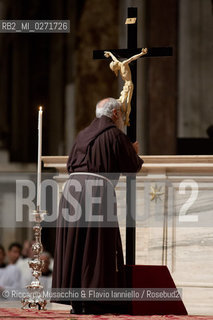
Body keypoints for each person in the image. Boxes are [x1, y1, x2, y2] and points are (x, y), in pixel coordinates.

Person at [52, 97, 143, 314]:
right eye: (121, 115)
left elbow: (69, 165)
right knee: (96, 245)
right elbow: (131, 166)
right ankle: (94, 301)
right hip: (96, 192)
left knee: (77, 244)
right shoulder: (114, 134)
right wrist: (133, 151)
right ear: (115, 114)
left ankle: (76, 300)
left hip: (72, 190)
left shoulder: (82, 134)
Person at [104, 49, 147, 126]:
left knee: (127, 102)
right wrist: (110, 53)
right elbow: (114, 59)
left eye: (115, 68)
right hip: (125, 86)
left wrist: (142, 53)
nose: (116, 70)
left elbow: (132, 58)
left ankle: (127, 119)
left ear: (116, 66)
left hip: (129, 85)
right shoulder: (119, 65)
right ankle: (122, 115)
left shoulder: (123, 64)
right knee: (122, 101)